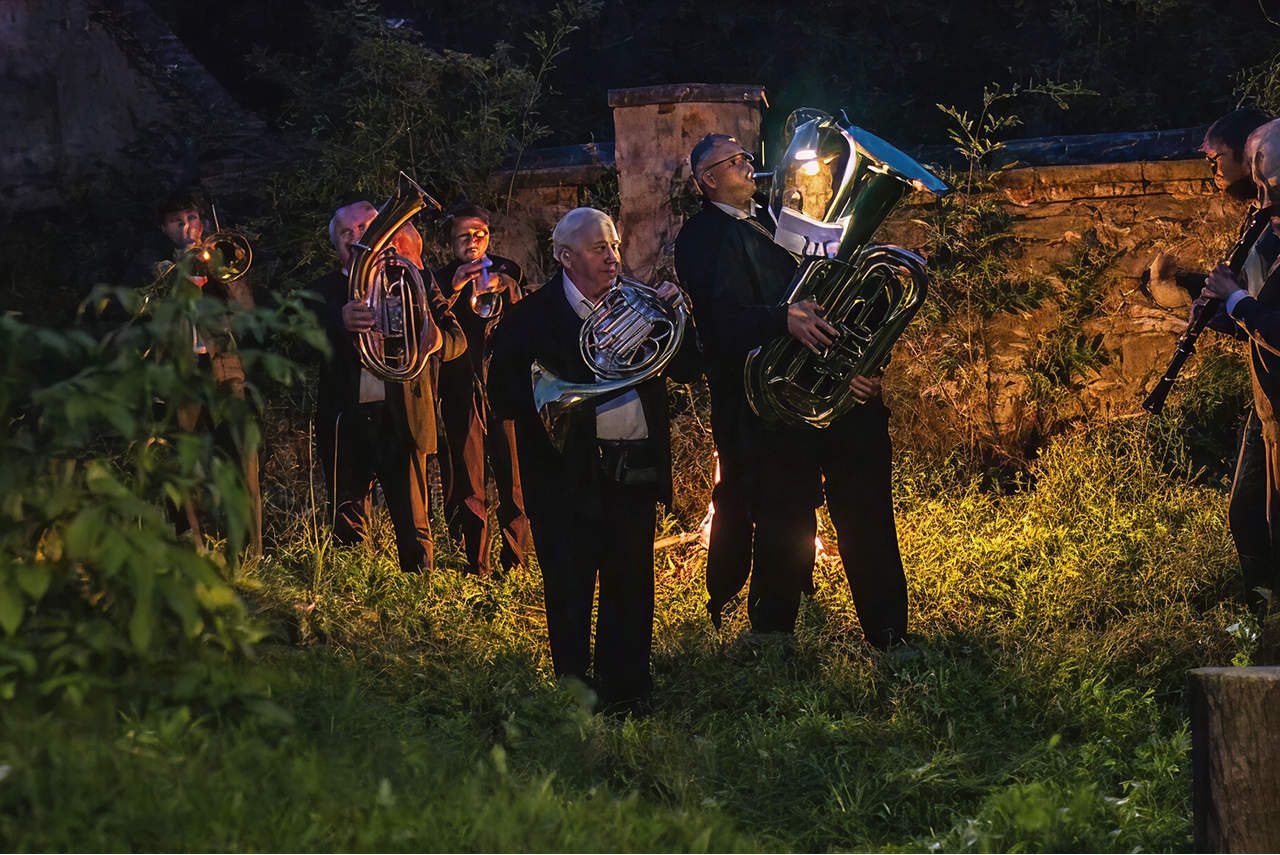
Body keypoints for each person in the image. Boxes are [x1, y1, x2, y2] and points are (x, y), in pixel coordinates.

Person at [675, 132, 906, 648]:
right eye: (733, 161)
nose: (747, 165)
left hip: (839, 392)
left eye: (746, 157)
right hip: (773, 406)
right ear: (706, 180)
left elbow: (838, 302)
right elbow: (720, 325)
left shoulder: (778, 220)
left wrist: (870, 364)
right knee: (784, 519)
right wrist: (783, 320)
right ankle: (772, 635)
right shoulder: (700, 236)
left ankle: (890, 633)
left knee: (867, 513)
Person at [487, 207, 699, 715]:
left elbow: (689, 368)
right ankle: (576, 695)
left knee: (631, 586)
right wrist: (575, 380)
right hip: (564, 477)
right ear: (565, 257)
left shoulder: (644, 306)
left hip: (633, 466)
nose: (613, 257)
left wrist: (682, 318)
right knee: (569, 587)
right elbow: (502, 395)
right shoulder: (529, 318)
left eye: (614, 246)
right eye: (599, 247)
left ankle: (628, 692)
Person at [306, 202, 466, 574]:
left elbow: (458, 339)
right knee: (346, 521)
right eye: (347, 233)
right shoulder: (320, 291)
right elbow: (293, 340)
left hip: (403, 416)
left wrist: (437, 339)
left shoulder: (415, 278)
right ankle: (352, 600)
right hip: (347, 419)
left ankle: (421, 600)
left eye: (364, 227)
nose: (357, 236)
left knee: (414, 525)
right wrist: (337, 319)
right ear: (337, 245)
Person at [129, 187, 263, 557]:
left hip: (223, 374)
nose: (187, 226)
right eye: (177, 220)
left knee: (242, 462)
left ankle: (251, 554)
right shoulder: (157, 270)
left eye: (192, 218)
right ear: (164, 228)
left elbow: (248, 315)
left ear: (203, 222)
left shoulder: (225, 261)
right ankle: (192, 548)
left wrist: (225, 272)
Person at [1201, 118, 1280, 613]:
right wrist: (1213, 308)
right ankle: (1262, 625)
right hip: (1268, 402)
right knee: (1252, 516)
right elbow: (1257, 322)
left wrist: (1236, 303)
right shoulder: (1271, 236)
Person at [432, 203, 529, 577]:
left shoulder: (508, 268)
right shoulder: (437, 278)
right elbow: (429, 319)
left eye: (480, 234)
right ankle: (477, 566)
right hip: (459, 387)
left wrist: (511, 289)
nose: (473, 242)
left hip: (502, 385)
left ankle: (517, 563)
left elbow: (525, 320)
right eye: (464, 236)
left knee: (513, 479)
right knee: (469, 482)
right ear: (450, 243)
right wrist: (455, 287)